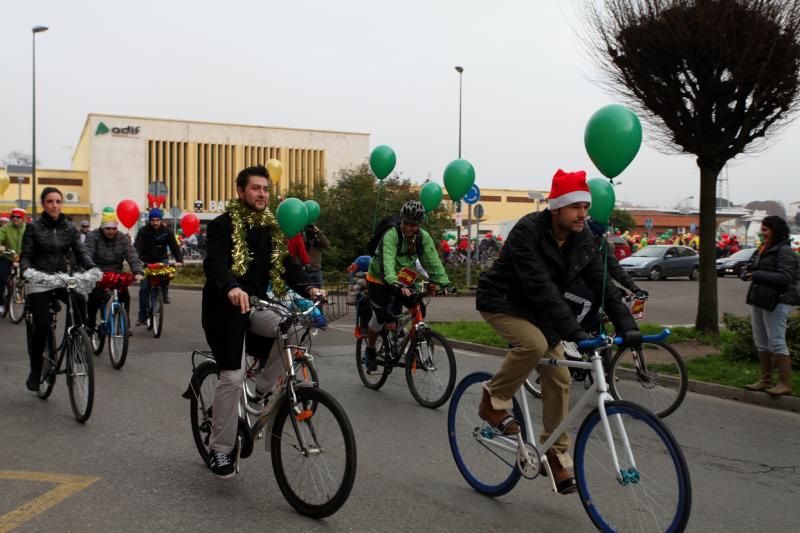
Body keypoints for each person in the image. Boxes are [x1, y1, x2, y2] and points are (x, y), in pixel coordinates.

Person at [475, 169, 640, 495]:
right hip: (503, 302)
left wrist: (628, 326)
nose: (583, 214)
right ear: (556, 208)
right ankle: (492, 400)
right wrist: (574, 332)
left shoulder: (583, 238)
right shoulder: (527, 232)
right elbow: (542, 288)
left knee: (561, 378)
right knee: (533, 345)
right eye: (575, 206)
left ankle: (555, 453)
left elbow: (602, 284)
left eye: (585, 206)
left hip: (540, 310)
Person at [201, 164, 324, 478]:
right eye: (255, 188)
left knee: (294, 326)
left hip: (254, 307)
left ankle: (260, 391)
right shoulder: (221, 226)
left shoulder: (269, 230)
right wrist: (231, 287)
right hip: (224, 310)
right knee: (230, 377)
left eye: (265, 189)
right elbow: (214, 263)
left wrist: (308, 286)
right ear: (241, 192)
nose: (261, 194)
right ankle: (219, 449)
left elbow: (285, 264)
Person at [20, 187, 96, 391]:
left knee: (80, 300)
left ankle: (77, 341)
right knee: (42, 325)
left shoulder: (70, 228)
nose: (54, 205)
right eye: (50, 201)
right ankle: (36, 370)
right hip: (38, 280)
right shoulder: (33, 227)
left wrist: (92, 268)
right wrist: (25, 269)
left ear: (62, 204)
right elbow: (26, 254)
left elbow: (81, 253)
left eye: (58, 201)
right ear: (43, 204)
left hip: (61, 278)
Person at [363, 200, 451, 371]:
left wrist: (444, 282)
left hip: (403, 278)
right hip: (379, 278)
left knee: (418, 309)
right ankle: (371, 349)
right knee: (381, 316)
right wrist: (394, 282)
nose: (411, 228)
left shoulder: (422, 237)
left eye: (415, 225)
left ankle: (412, 349)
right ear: (402, 220)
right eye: (408, 223)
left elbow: (432, 262)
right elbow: (387, 262)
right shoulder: (391, 235)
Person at [742, 215, 798, 396]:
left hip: (778, 301)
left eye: (765, 230)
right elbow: (757, 270)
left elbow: (785, 278)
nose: (761, 233)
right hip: (760, 299)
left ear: (776, 231)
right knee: (761, 341)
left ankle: (784, 383)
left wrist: (756, 274)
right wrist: (748, 273)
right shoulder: (763, 249)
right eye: (762, 229)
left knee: (776, 341)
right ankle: (765, 380)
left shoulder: (784, 252)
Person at [84, 211, 144, 331]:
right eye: (107, 229)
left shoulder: (122, 238)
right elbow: (86, 254)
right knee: (94, 297)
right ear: (102, 227)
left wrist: (138, 271)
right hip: (97, 272)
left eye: (113, 228)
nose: (111, 231)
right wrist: (91, 270)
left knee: (125, 296)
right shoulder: (92, 236)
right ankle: (90, 323)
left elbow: (132, 255)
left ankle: (125, 325)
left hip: (116, 272)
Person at [134, 208, 183, 321]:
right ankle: (142, 316)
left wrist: (179, 260)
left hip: (161, 259)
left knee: (166, 275)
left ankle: (164, 293)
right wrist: (137, 260)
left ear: (161, 220)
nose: (155, 223)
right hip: (146, 261)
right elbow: (137, 247)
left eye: (157, 220)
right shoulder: (143, 231)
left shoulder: (167, 231)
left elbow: (174, 247)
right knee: (144, 288)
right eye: (153, 220)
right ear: (149, 220)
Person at [587, 219, 647, 296]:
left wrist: (634, 288)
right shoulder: (578, 238)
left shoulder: (601, 241)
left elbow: (614, 267)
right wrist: (613, 290)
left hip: (598, 289)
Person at [0, 208, 27, 315]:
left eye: (18, 217)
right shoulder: (5, 228)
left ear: (23, 218)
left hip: (22, 257)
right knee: (1, 278)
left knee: (28, 278)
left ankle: (27, 302)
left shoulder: (27, 228)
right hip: (7, 256)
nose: (15, 219)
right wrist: (1, 246)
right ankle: (0, 303)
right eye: (13, 217)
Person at [302, 223, 330, 287]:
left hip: (317, 270)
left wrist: (319, 232)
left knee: (319, 293)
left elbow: (327, 244)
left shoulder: (317, 242)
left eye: (311, 228)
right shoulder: (303, 241)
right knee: (306, 292)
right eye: (308, 228)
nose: (310, 230)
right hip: (305, 270)